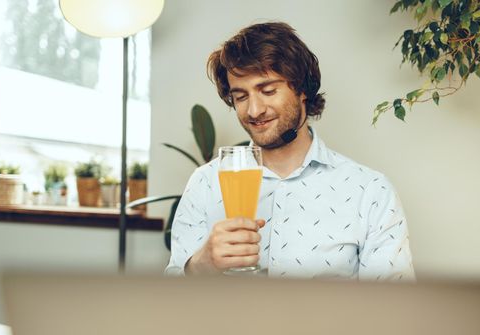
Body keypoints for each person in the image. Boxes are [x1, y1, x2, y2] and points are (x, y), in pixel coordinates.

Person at [165, 22, 415, 280]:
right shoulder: (205, 182)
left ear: (302, 89)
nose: (254, 110)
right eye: (241, 97)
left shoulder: (370, 191)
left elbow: (392, 307)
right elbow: (167, 303)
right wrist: (201, 265)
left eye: (268, 90)